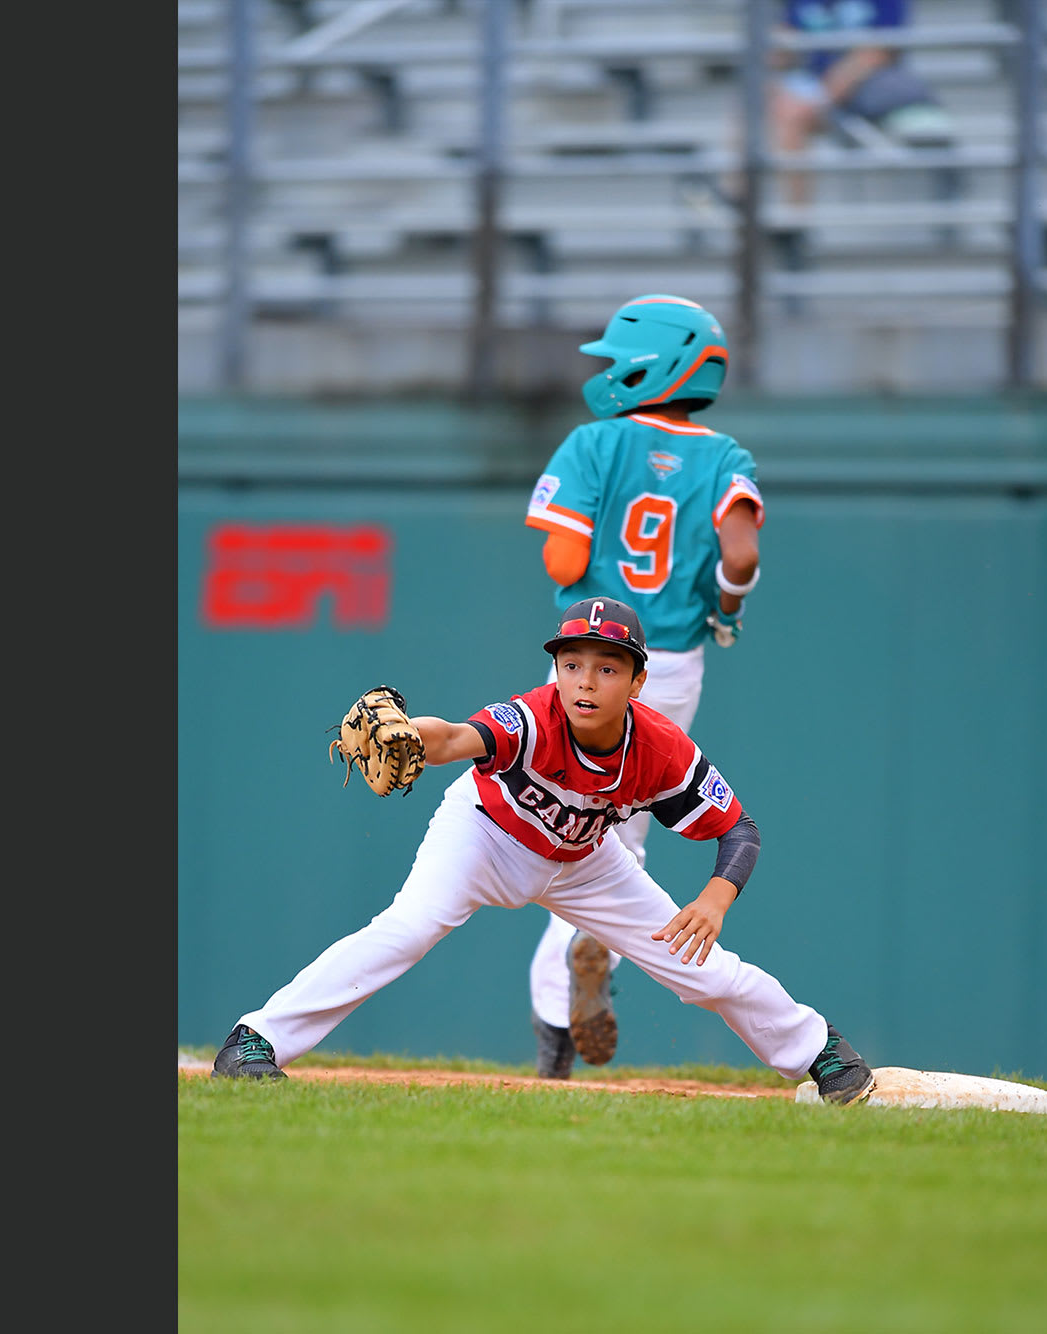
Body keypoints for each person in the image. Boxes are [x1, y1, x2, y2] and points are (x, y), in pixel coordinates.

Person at [209, 597, 879, 1108]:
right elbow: (452, 739)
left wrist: (714, 897)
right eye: (571, 664)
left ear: (638, 682)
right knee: (405, 930)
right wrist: (409, 733)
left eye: (606, 667)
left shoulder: (662, 750)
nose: (585, 682)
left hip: (587, 861)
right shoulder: (533, 718)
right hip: (484, 835)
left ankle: (823, 1054)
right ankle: (254, 1041)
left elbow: (739, 831)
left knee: (697, 968)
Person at [518, 293, 761, 1079]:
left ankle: (553, 1043)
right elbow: (739, 556)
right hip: (670, 667)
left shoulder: (595, 443)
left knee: (548, 834)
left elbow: (561, 563)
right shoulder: (727, 457)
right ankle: (579, 994)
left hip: (590, 662)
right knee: (618, 843)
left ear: (647, 364)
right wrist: (726, 601)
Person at [771, 0, 943, 204]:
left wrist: (823, 96)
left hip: (867, 90)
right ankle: (742, 200)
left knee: (790, 112)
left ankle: (792, 220)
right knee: (758, 103)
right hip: (812, 87)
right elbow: (782, 50)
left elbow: (877, 52)